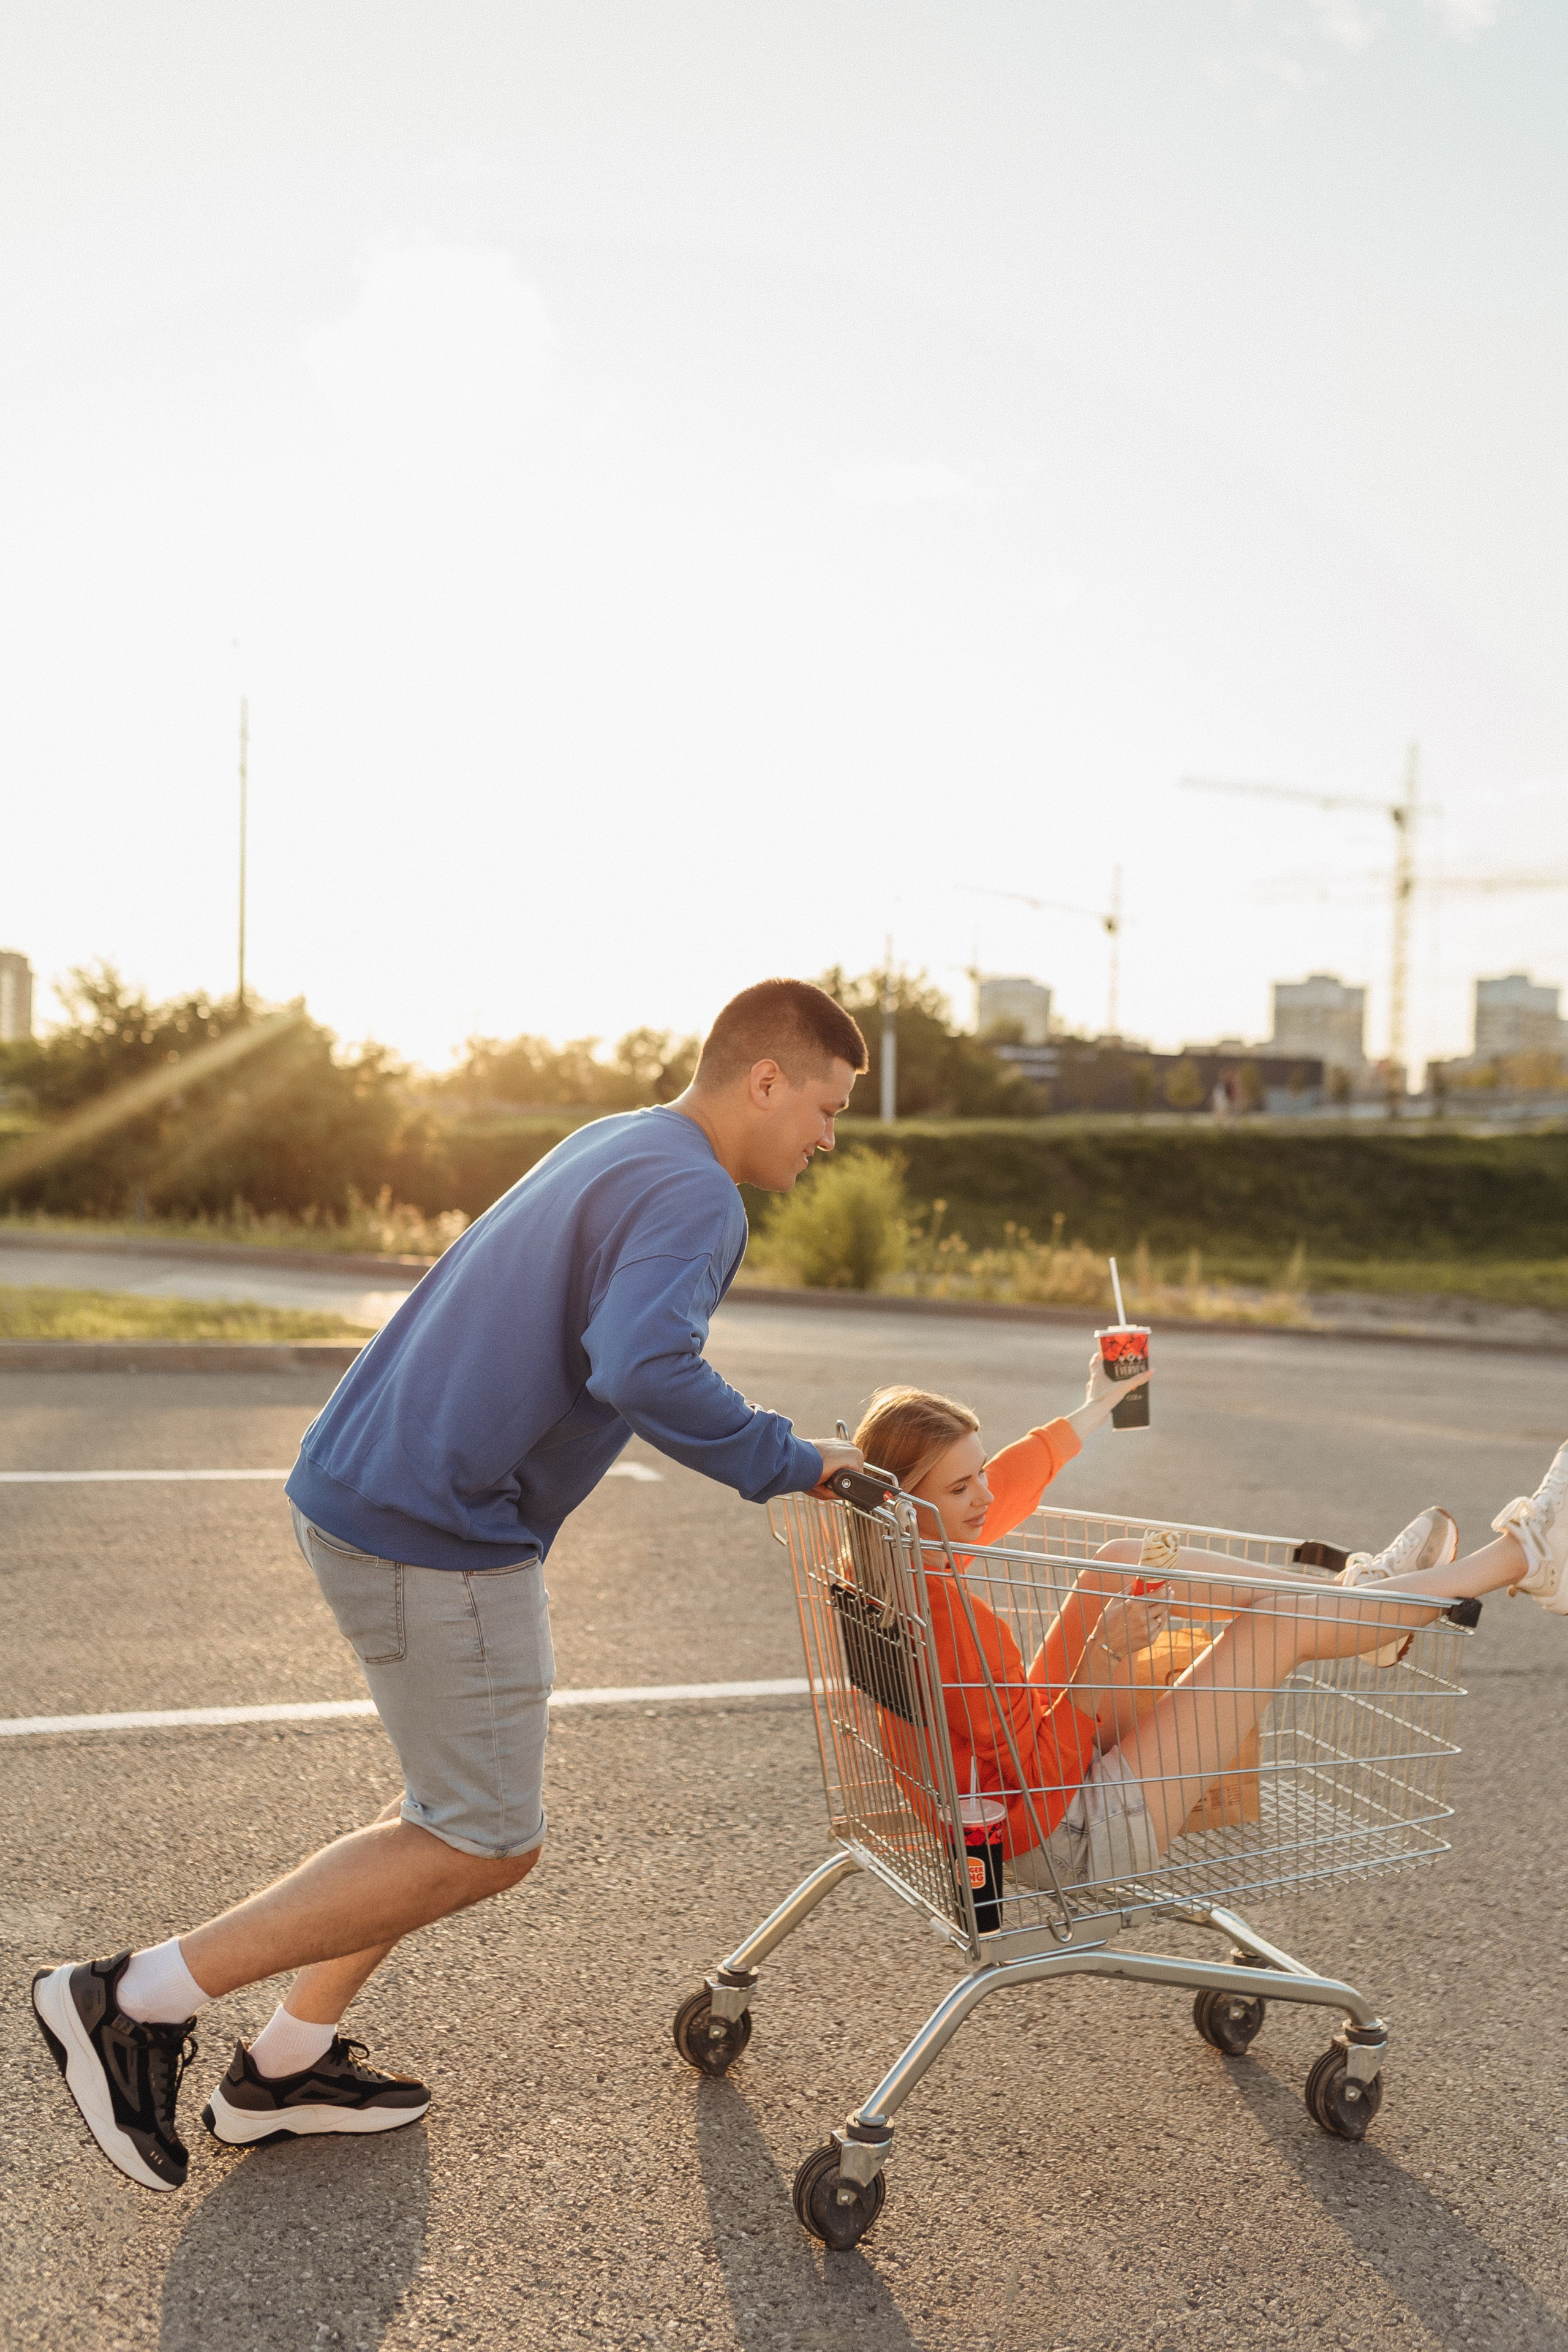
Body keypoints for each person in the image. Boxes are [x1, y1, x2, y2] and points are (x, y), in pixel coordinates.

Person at [32, 979, 870, 2194]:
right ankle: (131, 2001)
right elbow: (641, 1364)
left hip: (364, 1485)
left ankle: (287, 2062)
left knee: (445, 1812)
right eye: (827, 1108)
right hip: (436, 1528)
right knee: (484, 1839)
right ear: (764, 1080)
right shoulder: (695, 1189)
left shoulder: (620, 1142)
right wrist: (796, 1463)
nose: (828, 1138)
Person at [850, 1374, 1568, 1891]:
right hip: (1054, 1835)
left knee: (1120, 1563)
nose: (984, 1497)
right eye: (959, 1489)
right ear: (904, 1504)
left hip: (1008, 1801)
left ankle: (1362, 1603)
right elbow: (1041, 1773)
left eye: (979, 1475)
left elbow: (1003, 1482)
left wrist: (1097, 1401)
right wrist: (1104, 1655)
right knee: (1274, 1628)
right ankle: (1519, 1558)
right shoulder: (954, 1630)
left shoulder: (884, 1561)